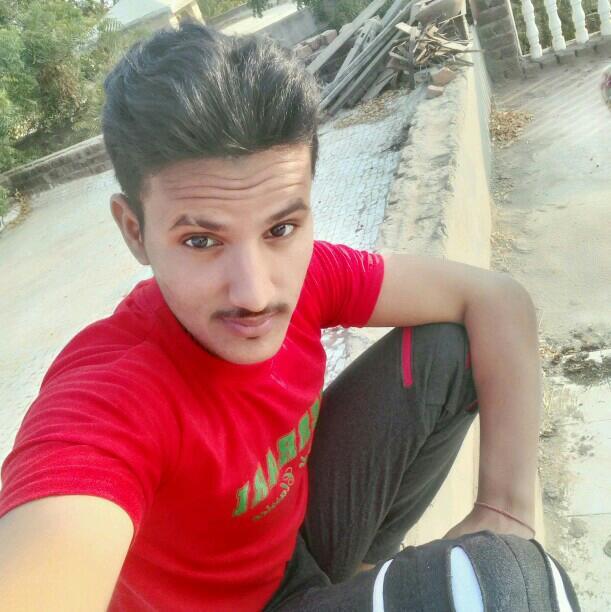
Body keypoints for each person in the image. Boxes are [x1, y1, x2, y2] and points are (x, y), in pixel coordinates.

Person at [0, 23, 580, 612]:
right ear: (134, 231)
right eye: (201, 241)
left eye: (280, 228)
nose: (255, 292)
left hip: (300, 543)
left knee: (449, 348)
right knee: (509, 588)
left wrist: (505, 509)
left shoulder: (311, 277)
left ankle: (363, 575)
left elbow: (497, 298)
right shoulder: (111, 396)